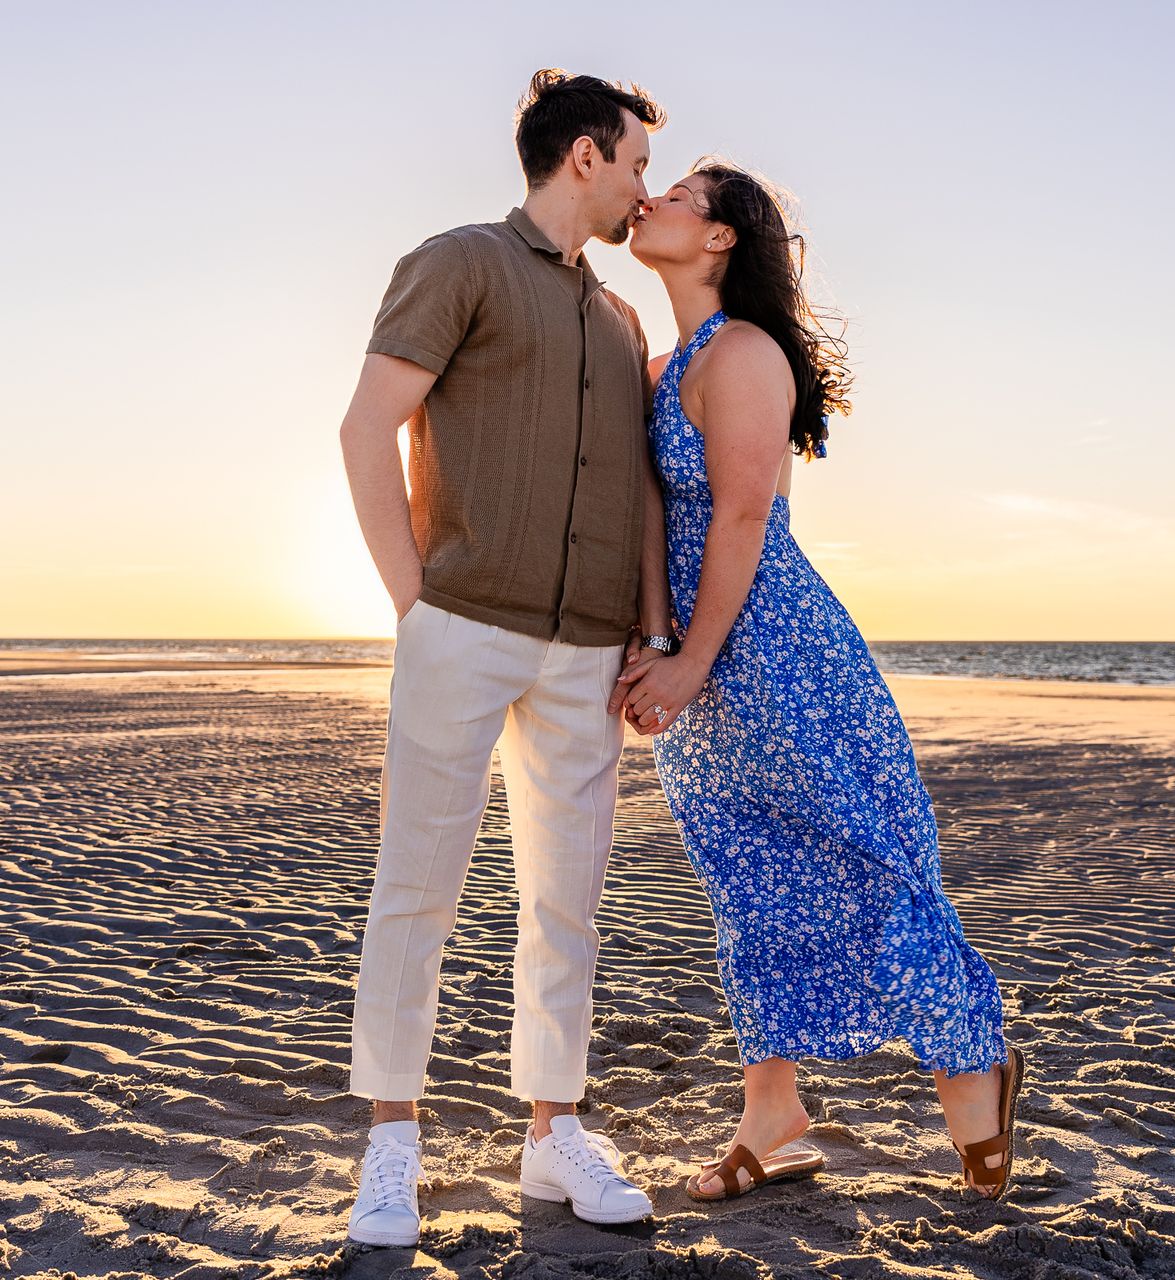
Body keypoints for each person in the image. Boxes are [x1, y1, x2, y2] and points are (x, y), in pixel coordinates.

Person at [612, 162, 1026, 1202]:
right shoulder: (666, 363)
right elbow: (658, 513)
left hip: (779, 645)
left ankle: (971, 1062)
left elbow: (746, 516)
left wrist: (695, 656)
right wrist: (657, 638)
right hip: (707, 651)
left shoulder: (745, 352)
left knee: (866, 850)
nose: (650, 197)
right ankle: (774, 1111)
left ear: (719, 240)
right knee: (749, 875)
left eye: (677, 193)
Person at [337, 70, 675, 1246]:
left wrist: (650, 629)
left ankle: (551, 1136)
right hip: (461, 626)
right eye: (634, 161)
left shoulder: (622, 320)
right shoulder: (460, 262)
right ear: (584, 155)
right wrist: (414, 602)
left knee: (566, 900)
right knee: (419, 884)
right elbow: (364, 424)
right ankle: (391, 1143)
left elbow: (638, 491)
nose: (643, 187)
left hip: (586, 652)